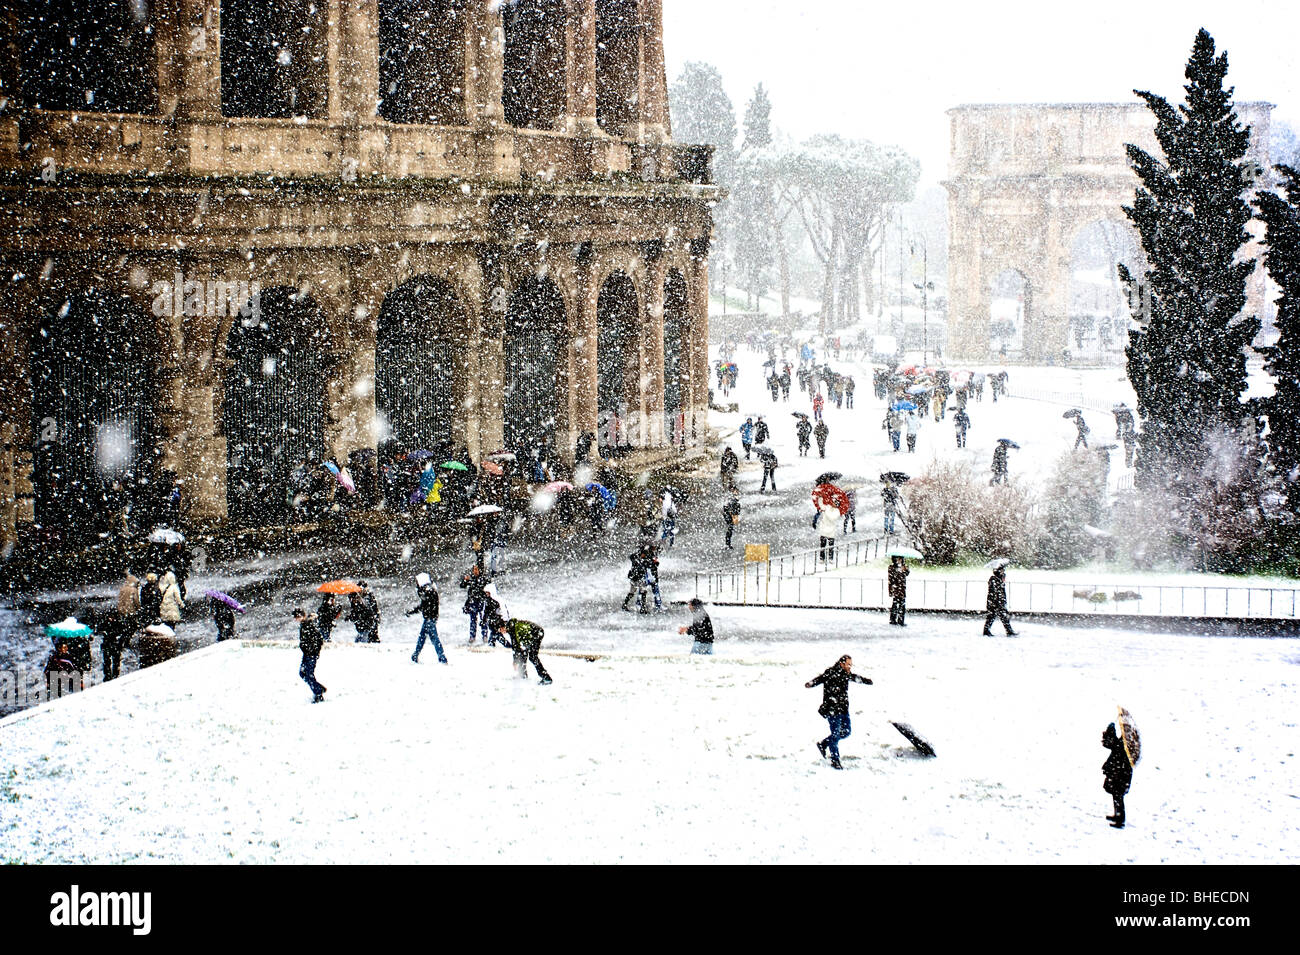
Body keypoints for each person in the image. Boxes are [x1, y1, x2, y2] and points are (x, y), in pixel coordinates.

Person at [805, 655, 873, 770]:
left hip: (843, 709)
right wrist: (811, 683)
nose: (850, 666)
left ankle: (823, 744)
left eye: (851, 664)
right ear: (842, 664)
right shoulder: (831, 673)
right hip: (832, 709)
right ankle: (835, 760)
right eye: (848, 664)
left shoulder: (846, 674)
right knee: (835, 734)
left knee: (846, 732)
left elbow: (855, 678)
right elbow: (820, 679)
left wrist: (866, 681)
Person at [407, 572, 447, 664]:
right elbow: (424, 605)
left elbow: (424, 605)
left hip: (429, 618)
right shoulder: (430, 590)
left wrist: (413, 611)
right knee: (424, 637)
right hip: (430, 618)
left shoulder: (428, 591)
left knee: (432, 638)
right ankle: (416, 655)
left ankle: (442, 657)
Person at [1101, 722, 1134, 829]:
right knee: (1117, 796)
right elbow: (1113, 745)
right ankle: (1118, 816)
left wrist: (1110, 733)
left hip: (1120, 774)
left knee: (1118, 795)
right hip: (1120, 773)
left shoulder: (1126, 743)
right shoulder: (1126, 741)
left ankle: (1120, 819)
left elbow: (1114, 746)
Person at [293, 607, 327, 703]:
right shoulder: (304, 625)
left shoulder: (309, 625)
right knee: (303, 673)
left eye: (298, 617)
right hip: (307, 653)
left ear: (302, 616)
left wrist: (313, 650)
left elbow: (319, 639)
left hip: (311, 654)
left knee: (308, 674)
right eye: (296, 617)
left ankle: (318, 693)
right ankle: (319, 689)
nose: (297, 619)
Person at [459, 563, 492, 644]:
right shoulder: (471, 579)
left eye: (477, 569)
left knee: (483, 620)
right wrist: (465, 580)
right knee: (473, 620)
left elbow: (489, 586)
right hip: (473, 602)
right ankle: (472, 636)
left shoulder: (483, 579)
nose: (475, 571)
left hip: (481, 601)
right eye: (474, 569)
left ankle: (484, 635)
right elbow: (462, 585)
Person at [982, 564, 1017, 636]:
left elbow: (1000, 592)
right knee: (996, 616)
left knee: (996, 617)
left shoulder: (998, 579)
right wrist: (999, 602)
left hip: (996, 602)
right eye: (1002, 571)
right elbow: (996, 592)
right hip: (995, 602)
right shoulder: (994, 579)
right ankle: (1008, 631)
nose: (1003, 572)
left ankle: (987, 631)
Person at [888, 555, 909, 626]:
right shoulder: (892, 567)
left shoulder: (904, 567)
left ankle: (901, 620)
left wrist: (904, 569)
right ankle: (893, 619)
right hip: (896, 588)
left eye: (900, 559)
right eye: (898, 558)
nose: (899, 560)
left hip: (902, 588)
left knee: (902, 605)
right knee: (895, 604)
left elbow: (907, 573)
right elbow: (891, 578)